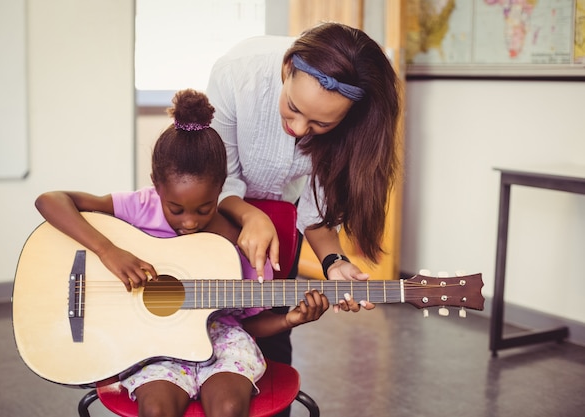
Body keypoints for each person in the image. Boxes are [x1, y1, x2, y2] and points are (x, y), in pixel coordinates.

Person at [34, 89, 329, 417]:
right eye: (175, 208)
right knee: (157, 409)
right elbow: (49, 200)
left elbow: (252, 325)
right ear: (156, 186)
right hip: (152, 344)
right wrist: (108, 251)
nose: (189, 221)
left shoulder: (241, 245)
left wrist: (291, 318)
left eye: (204, 208)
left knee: (229, 407)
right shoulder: (141, 207)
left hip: (224, 345)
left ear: (221, 188)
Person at [206, 22, 400, 367]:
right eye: (293, 107)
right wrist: (251, 216)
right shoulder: (237, 74)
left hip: (284, 222)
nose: (297, 129)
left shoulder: (352, 127)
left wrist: (334, 263)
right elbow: (220, 179)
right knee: (212, 329)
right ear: (287, 67)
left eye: (320, 125)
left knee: (274, 336)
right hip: (217, 219)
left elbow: (317, 216)